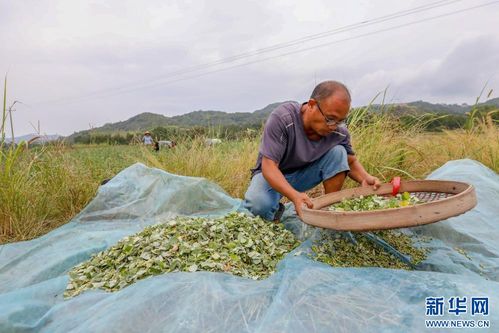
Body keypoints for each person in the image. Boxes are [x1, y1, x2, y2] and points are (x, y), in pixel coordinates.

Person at [243, 80, 381, 222]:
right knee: (258, 205)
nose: (333, 126)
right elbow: (269, 166)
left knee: (339, 153)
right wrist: (294, 196)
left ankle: (329, 209)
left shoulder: (339, 133)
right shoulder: (284, 119)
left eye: (340, 121)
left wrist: (365, 178)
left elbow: (350, 162)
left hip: (304, 174)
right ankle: (276, 210)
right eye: (330, 119)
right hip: (272, 175)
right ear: (311, 105)